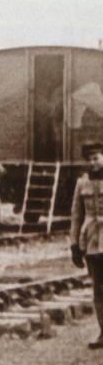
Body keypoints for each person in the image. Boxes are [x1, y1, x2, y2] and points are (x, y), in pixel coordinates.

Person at [70, 141, 103, 350]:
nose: (92, 163)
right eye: (89, 159)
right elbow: (76, 215)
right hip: (91, 241)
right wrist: (74, 245)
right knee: (98, 288)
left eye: (96, 158)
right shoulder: (82, 184)